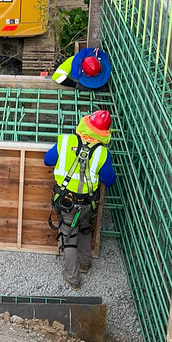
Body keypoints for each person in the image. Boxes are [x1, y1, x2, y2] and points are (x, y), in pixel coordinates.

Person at [45, 110, 115, 289]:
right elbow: (109, 180)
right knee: (85, 229)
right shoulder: (103, 153)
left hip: (66, 201)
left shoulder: (66, 141)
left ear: (85, 124)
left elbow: (48, 160)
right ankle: (84, 264)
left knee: (68, 236)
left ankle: (73, 278)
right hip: (86, 203)